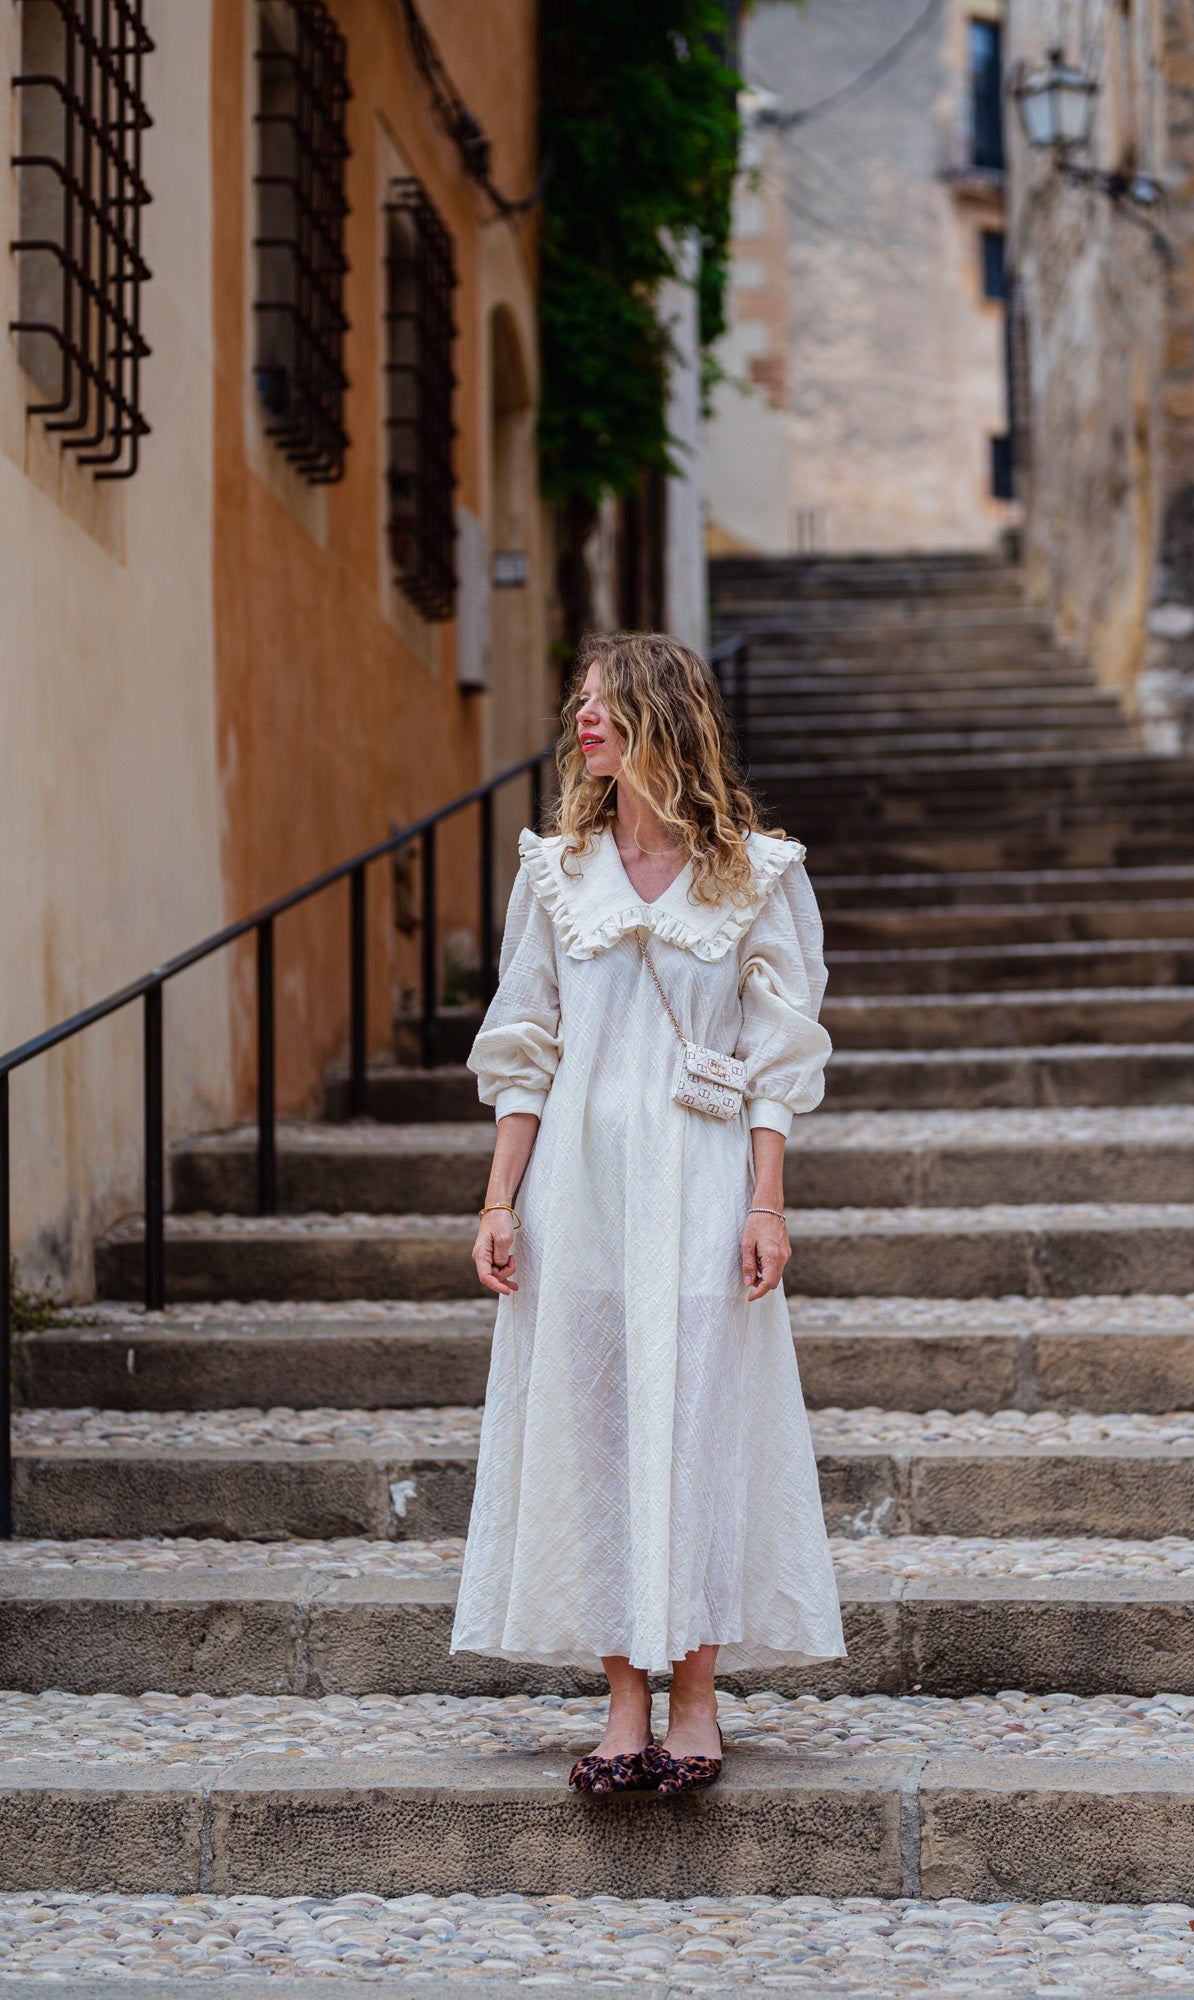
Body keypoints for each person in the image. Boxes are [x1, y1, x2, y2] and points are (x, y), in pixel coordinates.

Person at [453, 630, 845, 1796]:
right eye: (578, 699)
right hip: (580, 1182)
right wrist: (497, 1197)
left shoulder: (756, 874)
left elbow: (779, 1054)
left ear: (662, 715)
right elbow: (525, 1044)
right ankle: (624, 1696)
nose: (582, 718)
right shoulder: (555, 873)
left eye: (605, 700)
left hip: (706, 1175)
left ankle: (696, 1694)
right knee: (595, 1425)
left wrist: (768, 1202)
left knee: (705, 1423)